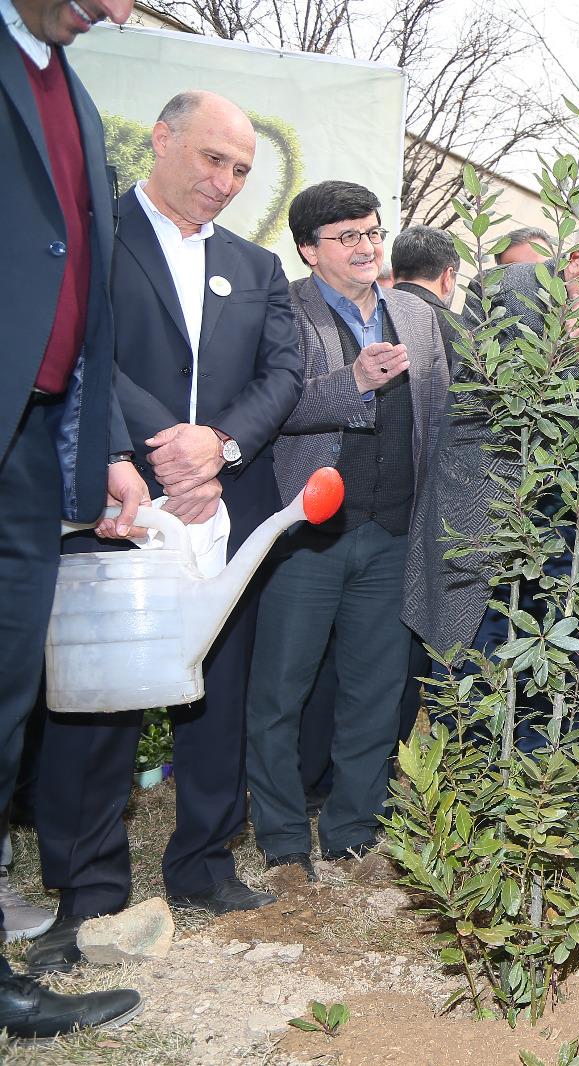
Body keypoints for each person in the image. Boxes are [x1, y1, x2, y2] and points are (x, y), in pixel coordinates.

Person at [30, 90, 305, 975]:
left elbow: (285, 369)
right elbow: (80, 352)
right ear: (161, 140)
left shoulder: (256, 266)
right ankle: (88, 887)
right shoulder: (94, 235)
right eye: (211, 160)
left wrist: (219, 446)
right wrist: (167, 451)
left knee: (217, 687)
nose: (224, 183)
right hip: (116, 497)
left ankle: (203, 863)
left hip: (227, 503)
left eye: (240, 170)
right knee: (97, 696)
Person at [1, 0, 147, 1038]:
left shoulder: (77, 93)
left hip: (34, 444)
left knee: (5, 706)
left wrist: (102, 450)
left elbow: (80, 296)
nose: (123, 9)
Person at [244, 180, 449, 879]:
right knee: (280, 692)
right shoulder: (285, 313)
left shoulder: (414, 317)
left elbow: (444, 415)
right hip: (307, 535)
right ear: (308, 249)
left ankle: (353, 830)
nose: (366, 247)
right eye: (347, 236)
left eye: (371, 232)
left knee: (376, 692)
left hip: (393, 534)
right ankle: (280, 838)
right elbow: (272, 411)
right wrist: (353, 382)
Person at [404, 213, 579, 677]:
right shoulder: (505, 291)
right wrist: (562, 353)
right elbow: (478, 398)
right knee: (470, 682)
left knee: (545, 689)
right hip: (483, 524)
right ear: (577, 260)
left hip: (563, 540)